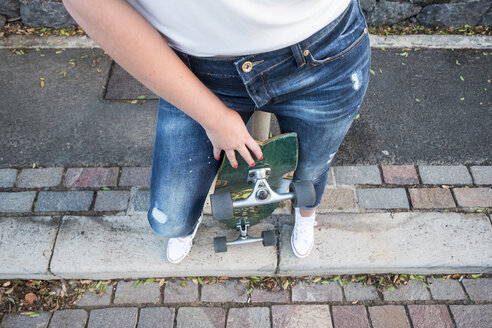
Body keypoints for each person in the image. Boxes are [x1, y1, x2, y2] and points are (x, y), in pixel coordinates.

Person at [62, 0, 370, 263]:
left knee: (312, 166)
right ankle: (187, 221)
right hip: (199, 71)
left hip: (324, 52)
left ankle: (305, 213)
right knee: (169, 221)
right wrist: (214, 119)